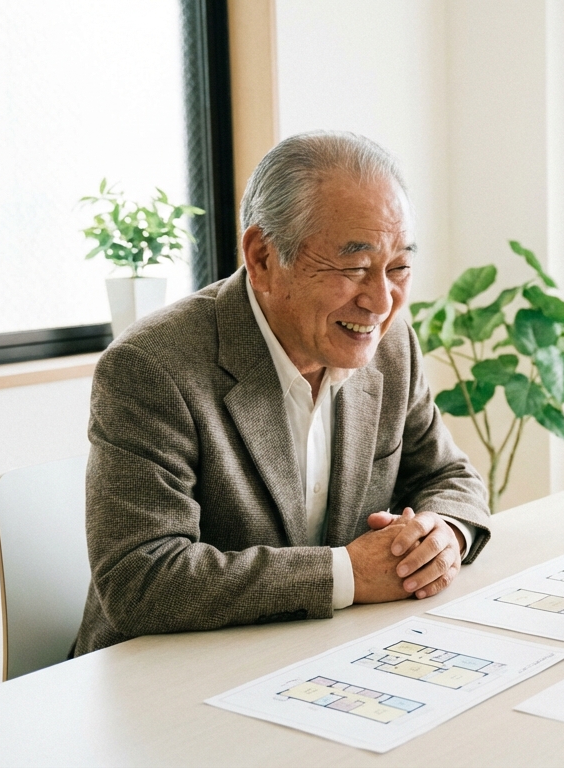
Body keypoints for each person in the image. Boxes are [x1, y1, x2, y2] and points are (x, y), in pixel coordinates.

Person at [75, 131, 490, 655]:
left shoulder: (391, 346)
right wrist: (348, 573)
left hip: (319, 656)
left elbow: (449, 475)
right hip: (164, 677)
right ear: (264, 258)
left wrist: (442, 535)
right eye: (355, 267)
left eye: (399, 268)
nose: (381, 301)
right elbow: (142, 578)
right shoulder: (152, 366)